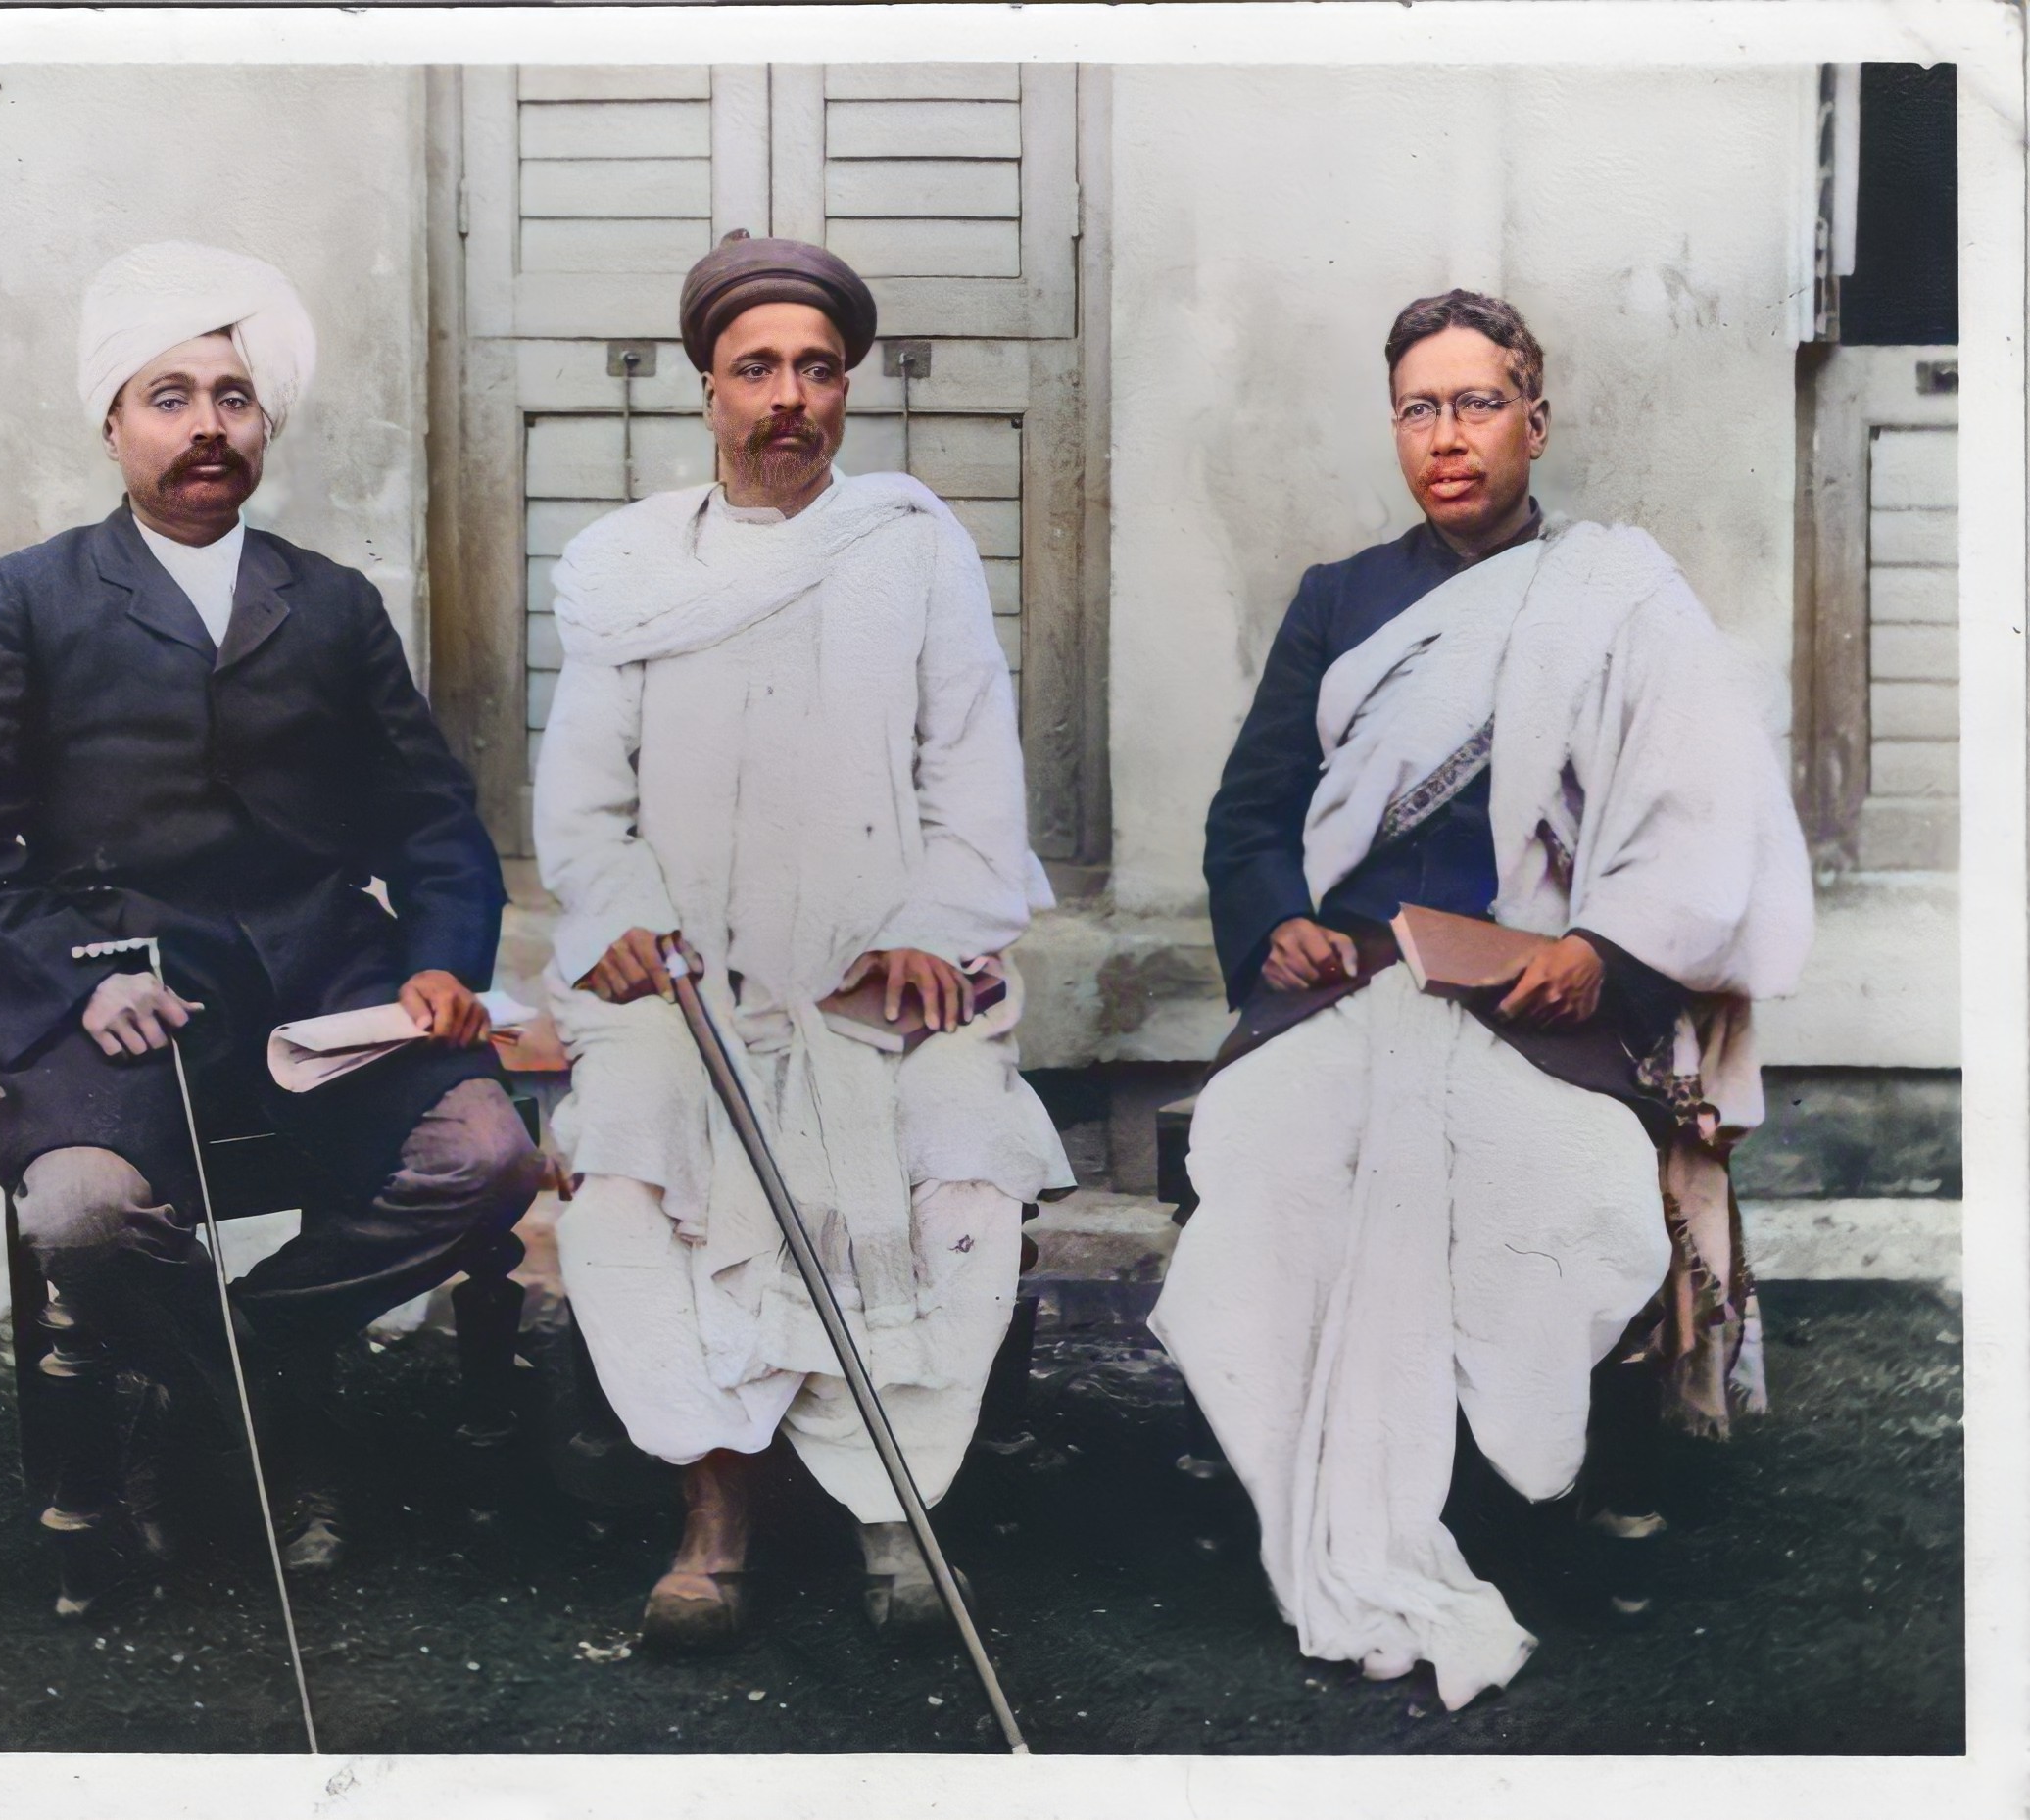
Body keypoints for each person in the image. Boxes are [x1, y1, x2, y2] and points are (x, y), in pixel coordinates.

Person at [1149, 290, 1813, 1708]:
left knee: (1566, 1176)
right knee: (1270, 1157)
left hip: (1541, 992)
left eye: (1477, 403)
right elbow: (1252, 814)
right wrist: (1275, 925)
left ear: (1535, 418)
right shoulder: (1340, 596)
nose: (1447, 438)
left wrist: (1609, 949)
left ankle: (1549, 1480)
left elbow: (1701, 818)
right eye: (1419, 409)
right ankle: (1297, 1466)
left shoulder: (1619, 593)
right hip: (1353, 985)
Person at [0, 242, 543, 1597]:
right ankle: (270, 1419)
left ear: (266, 422)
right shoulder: (23, 599)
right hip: (120, 985)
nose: (207, 427)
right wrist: (70, 991)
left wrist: (436, 961)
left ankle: (233, 1375)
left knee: (486, 1156)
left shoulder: (334, 602)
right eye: (171, 396)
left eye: (234, 397)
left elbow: (430, 819)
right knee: (80, 1210)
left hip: (325, 975)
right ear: (114, 421)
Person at [533, 232, 1073, 1649]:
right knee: (638, 1152)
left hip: (875, 969)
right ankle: (713, 1518)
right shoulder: (625, 570)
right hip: (687, 976)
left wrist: (928, 931)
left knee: (955, 1150)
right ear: (703, 388)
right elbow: (583, 807)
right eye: (756, 367)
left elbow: (973, 779)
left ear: (850, 391)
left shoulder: (911, 546)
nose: (789, 397)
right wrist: (632, 919)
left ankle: (901, 1505)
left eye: (817, 369)